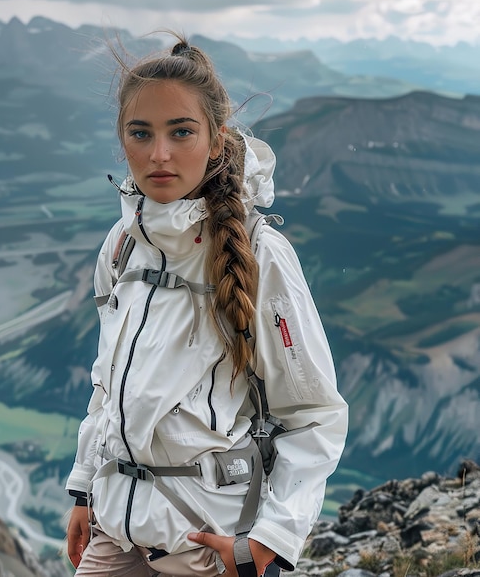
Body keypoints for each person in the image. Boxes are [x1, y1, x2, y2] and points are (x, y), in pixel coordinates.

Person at [65, 32, 348, 577]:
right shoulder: (120, 247)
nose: (159, 153)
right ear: (121, 138)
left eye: (182, 132)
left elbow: (314, 413)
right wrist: (83, 488)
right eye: (140, 133)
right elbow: (109, 383)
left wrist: (270, 538)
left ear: (217, 141)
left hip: (210, 543)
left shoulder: (261, 254)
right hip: (115, 527)